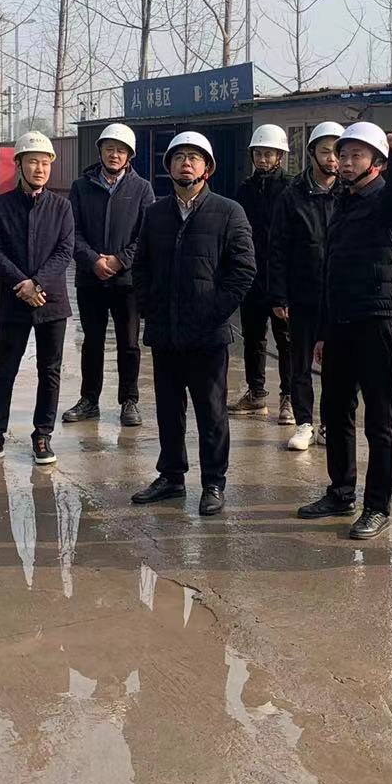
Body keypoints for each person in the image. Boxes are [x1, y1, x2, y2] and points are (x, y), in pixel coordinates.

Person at [297, 116, 392, 540]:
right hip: (341, 322)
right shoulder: (342, 203)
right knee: (335, 410)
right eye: (342, 155)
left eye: (356, 156)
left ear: (376, 162)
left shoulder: (385, 198)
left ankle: (377, 506)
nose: (345, 162)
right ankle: (341, 491)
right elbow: (330, 271)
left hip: (378, 320)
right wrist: (323, 331)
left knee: (379, 418)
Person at [130, 131, 256, 517]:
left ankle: (213, 483)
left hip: (208, 335)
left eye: (194, 157)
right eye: (179, 157)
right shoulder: (155, 214)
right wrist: (151, 308)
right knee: (169, 409)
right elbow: (141, 267)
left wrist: (213, 312)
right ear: (168, 167)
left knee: (211, 411)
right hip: (165, 332)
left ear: (207, 168)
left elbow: (243, 270)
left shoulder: (229, 212)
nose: (186, 163)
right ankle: (171, 476)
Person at [0, 131, 75, 468]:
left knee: (50, 371)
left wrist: (38, 283)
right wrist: (22, 283)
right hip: (14, 300)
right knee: (5, 369)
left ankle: (42, 435)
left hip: (51, 301)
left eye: (45, 163)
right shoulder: (1, 206)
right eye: (33, 162)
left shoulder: (62, 207)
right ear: (19, 164)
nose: (40, 169)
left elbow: (65, 251)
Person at [62, 123, 156, 428]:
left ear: (129, 155)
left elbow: (146, 235)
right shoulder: (81, 187)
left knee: (129, 342)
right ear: (100, 152)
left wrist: (119, 260)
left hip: (127, 281)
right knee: (92, 341)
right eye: (109, 149)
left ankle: (129, 400)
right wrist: (92, 260)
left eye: (121, 150)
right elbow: (71, 232)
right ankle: (89, 400)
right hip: (91, 278)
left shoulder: (142, 189)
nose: (114, 155)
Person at [268, 121, 344, 451]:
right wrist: (278, 294)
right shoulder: (292, 195)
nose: (333, 159)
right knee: (299, 362)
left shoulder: (349, 193)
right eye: (325, 151)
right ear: (312, 152)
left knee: (337, 365)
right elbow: (277, 247)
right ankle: (304, 423)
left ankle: (329, 424)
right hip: (302, 293)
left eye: (338, 152)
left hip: (339, 296)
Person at [229, 124, 296, 423]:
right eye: (258, 153)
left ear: (280, 156)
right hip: (252, 277)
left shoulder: (292, 190)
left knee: (286, 341)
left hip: (282, 278)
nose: (263, 159)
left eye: (268, 153)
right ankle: (256, 394)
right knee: (253, 339)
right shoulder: (245, 190)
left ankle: (289, 398)